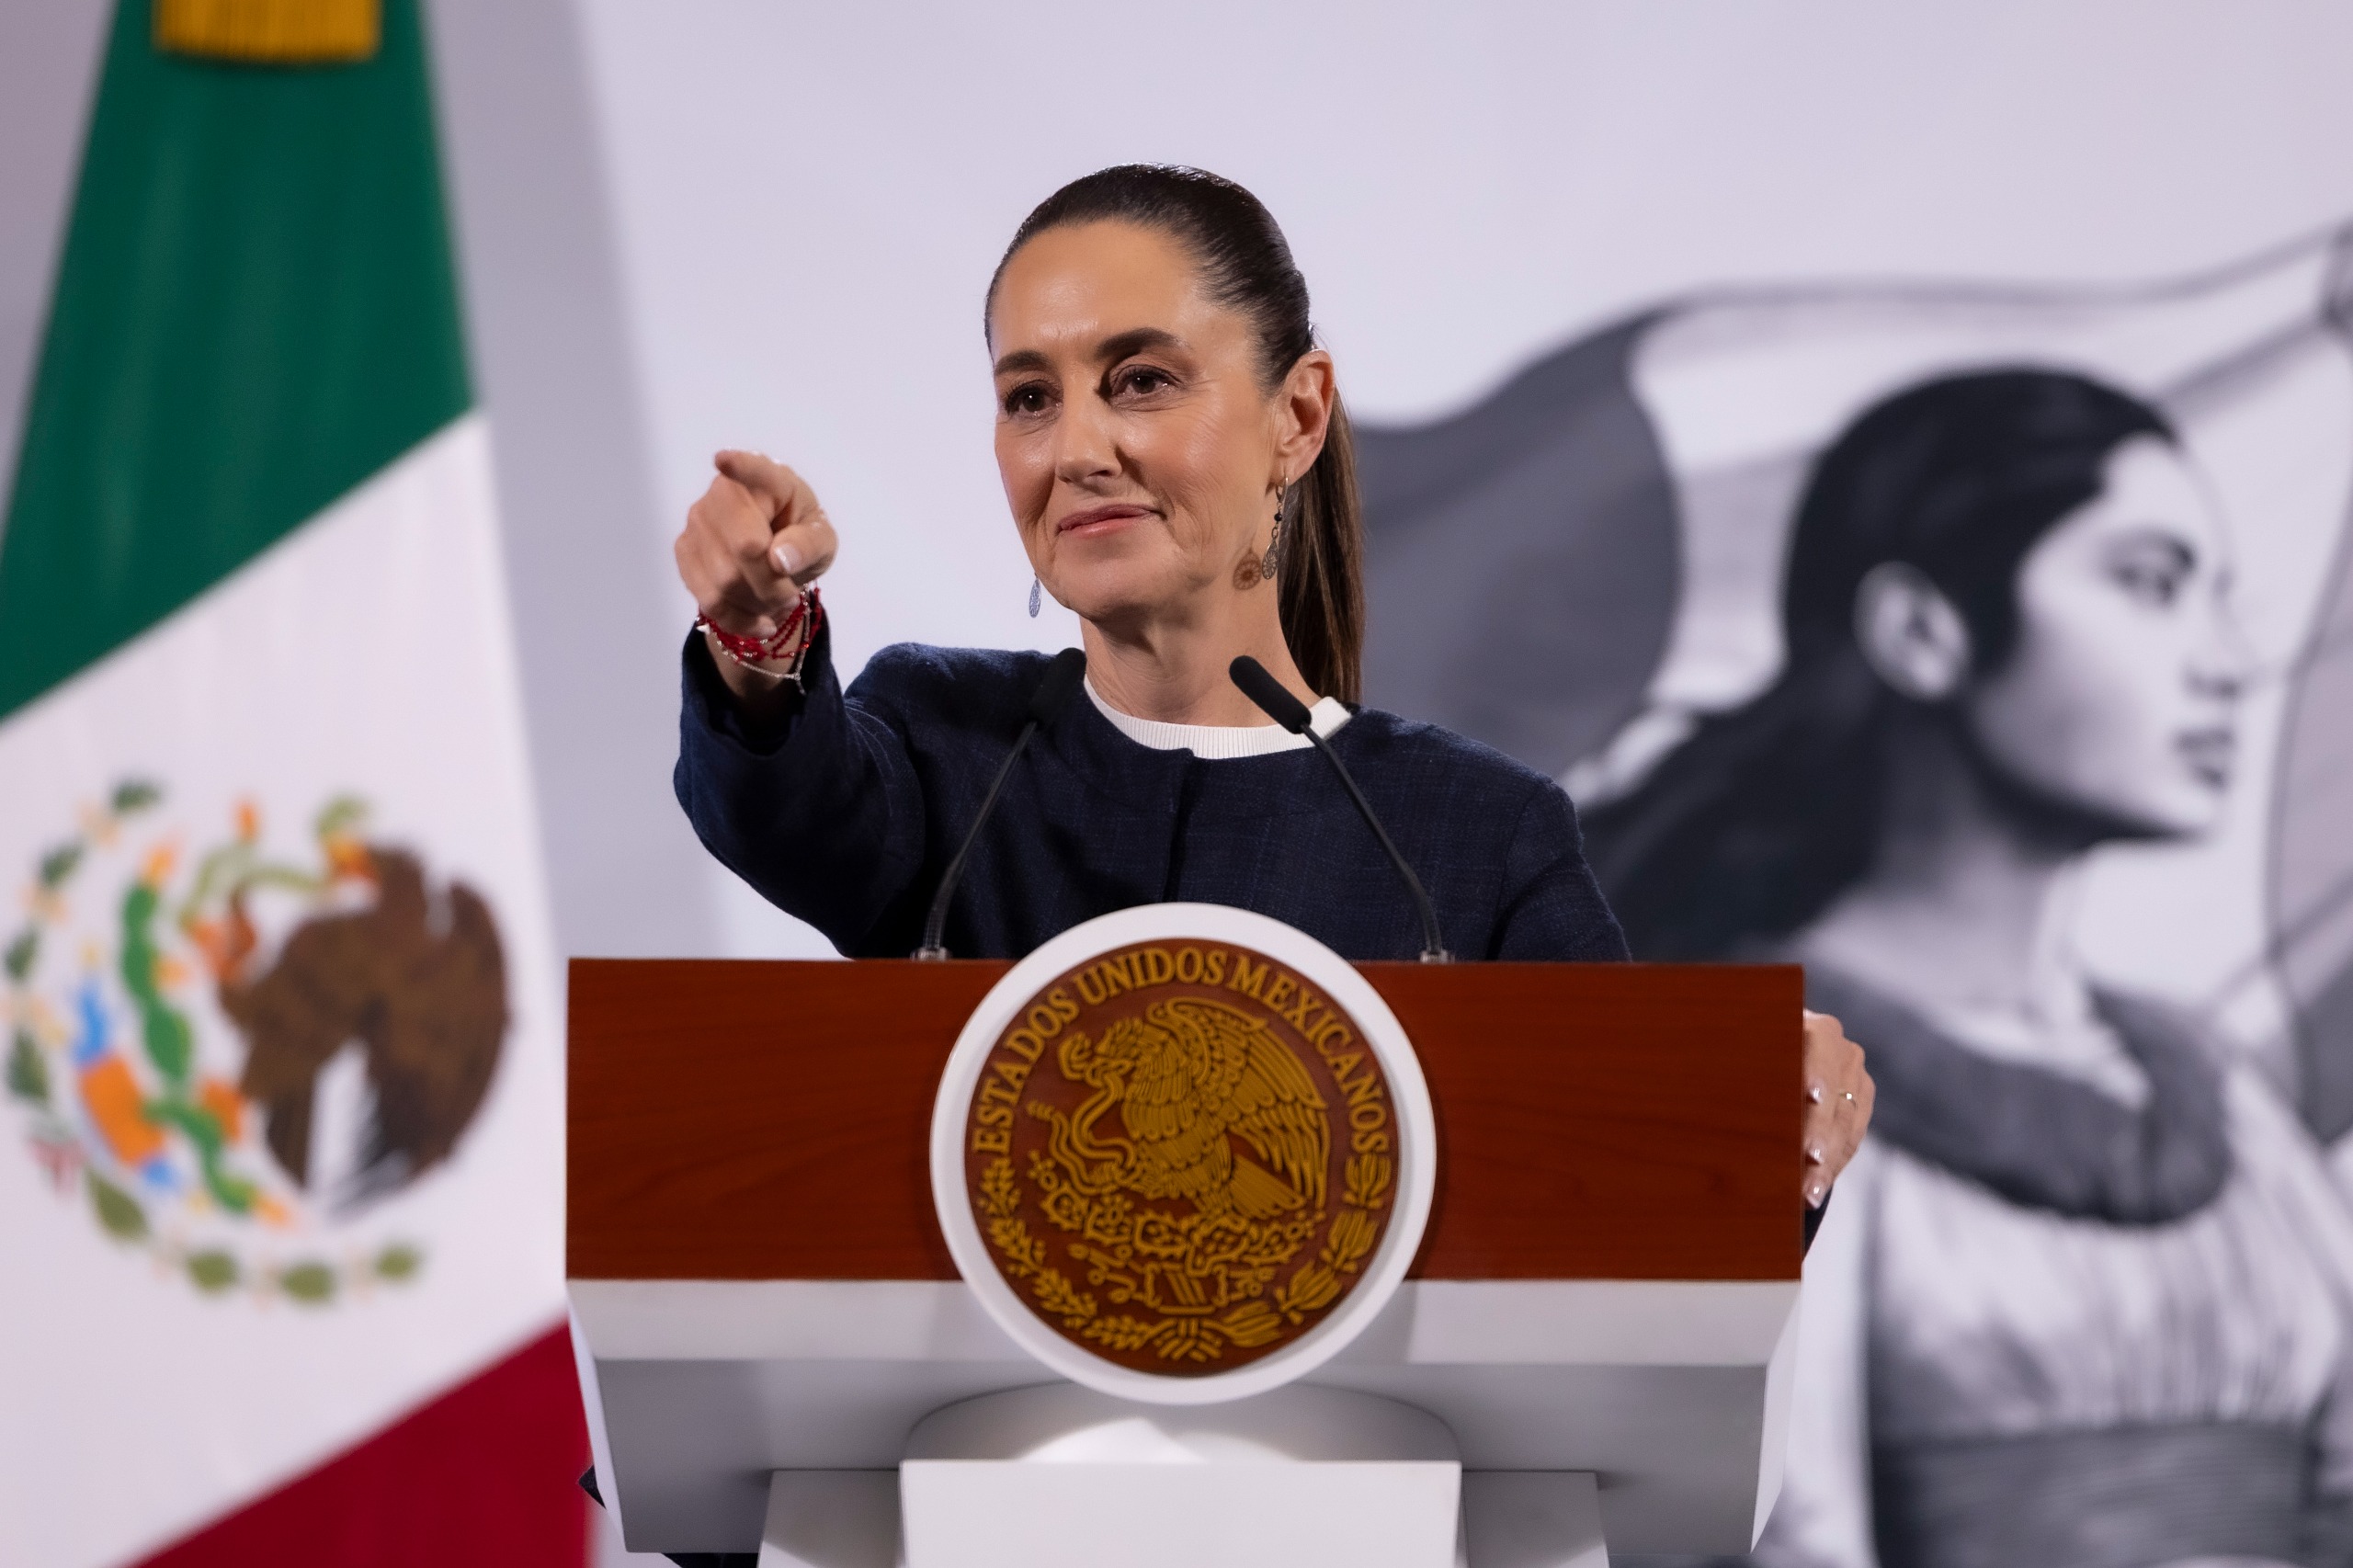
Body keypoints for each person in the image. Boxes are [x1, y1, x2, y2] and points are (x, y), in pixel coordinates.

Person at [670, 163, 1871, 1206]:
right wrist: (757, 632)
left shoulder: (1472, 840)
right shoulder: (948, 751)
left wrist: (1767, 1116)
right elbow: (786, 805)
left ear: (1297, 416)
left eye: (1140, 379)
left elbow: (1640, 1197)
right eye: (1031, 397)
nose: (1076, 449)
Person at [1585, 369, 2353, 1565]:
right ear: (1921, 631)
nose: (2226, 661)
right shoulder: (1735, 1084)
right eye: (2151, 583)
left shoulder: (2220, 1093)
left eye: (2220, 598)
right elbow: (1776, 1536)